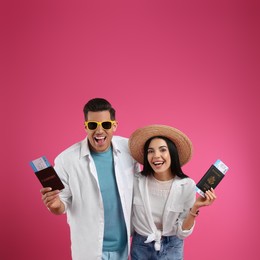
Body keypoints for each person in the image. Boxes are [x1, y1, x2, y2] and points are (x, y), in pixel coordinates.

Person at [40, 98, 139, 260]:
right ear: (85, 127)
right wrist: (55, 204)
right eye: (92, 125)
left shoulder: (130, 149)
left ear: (114, 125)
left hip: (124, 247)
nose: (99, 131)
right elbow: (60, 206)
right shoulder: (66, 160)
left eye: (105, 125)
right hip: (89, 251)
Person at [128, 124, 217, 260]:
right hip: (141, 246)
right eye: (150, 151)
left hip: (172, 246)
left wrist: (195, 207)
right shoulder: (137, 181)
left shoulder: (187, 185)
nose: (156, 156)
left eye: (162, 150)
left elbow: (183, 233)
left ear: (172, 153)